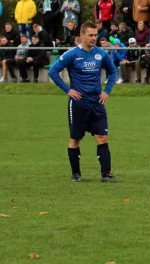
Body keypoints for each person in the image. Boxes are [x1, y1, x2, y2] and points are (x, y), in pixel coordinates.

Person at [48, 22, 118, 182]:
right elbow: (53, 71)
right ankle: (76, 174)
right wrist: (68, 90)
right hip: (79, 103)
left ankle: (106, 174)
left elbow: (113, 71)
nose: (94, 38)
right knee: (75, 139)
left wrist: (106, 91)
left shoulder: (101, 53)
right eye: (91, 35)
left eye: (96, 35)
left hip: (97, 102)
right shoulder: (72, 54)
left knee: (102, 138)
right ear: (82, 35)